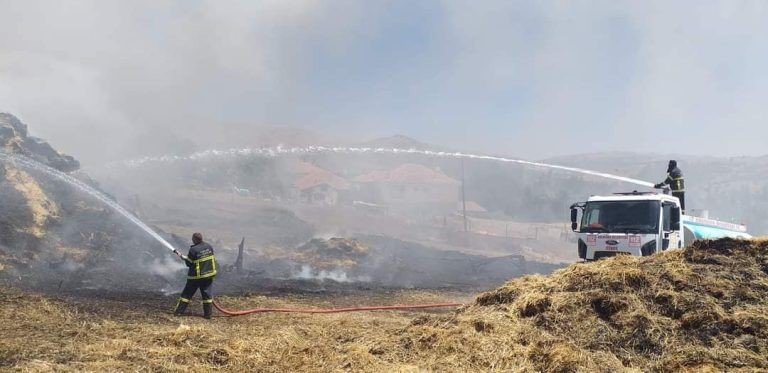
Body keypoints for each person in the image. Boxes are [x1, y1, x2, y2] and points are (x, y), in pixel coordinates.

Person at [173, 232, 218, 319]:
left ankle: (179, 312)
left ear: (195, 239)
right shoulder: (209, 246)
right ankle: (208, 315)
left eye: (193, 239)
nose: (192, 240)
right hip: (208, 275)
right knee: (207, 296)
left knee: (186, 295)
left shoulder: (194, 250)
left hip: (196, 277)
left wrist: (184, 258)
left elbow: (189, 264)